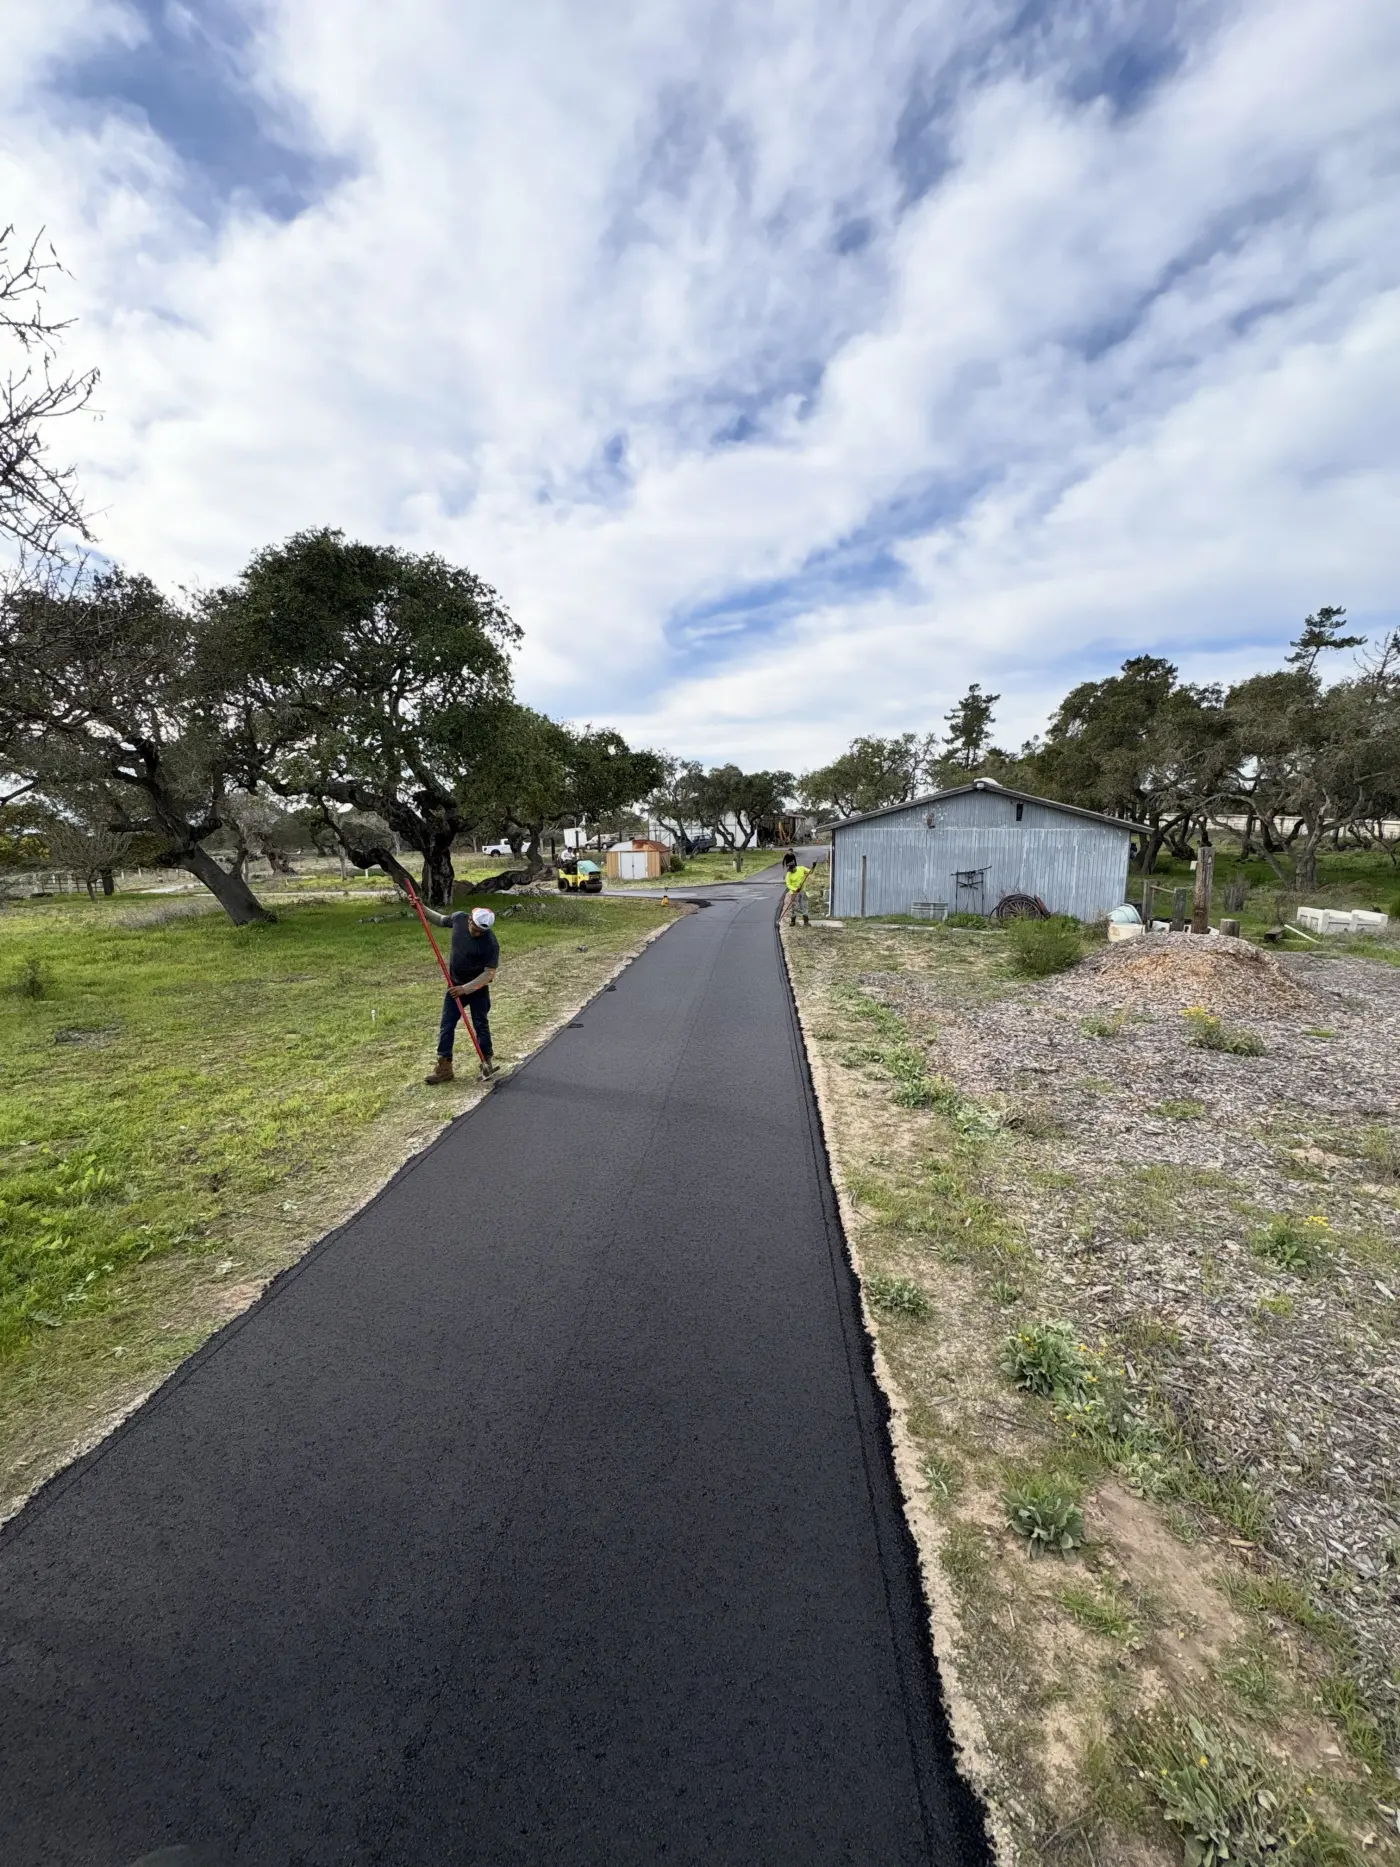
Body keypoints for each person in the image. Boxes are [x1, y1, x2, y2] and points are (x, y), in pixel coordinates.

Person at [418, 902, 500, 1083]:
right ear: (470, 919)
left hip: (476, 989)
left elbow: (489, 974)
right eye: (475, 929)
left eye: (481, 932)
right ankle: (444, 1068)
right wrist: (420, 907)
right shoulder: (458, 918)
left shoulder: (490, 943)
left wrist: (465, 989)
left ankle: (486, 1062)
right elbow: (440, 920)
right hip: (454, 985)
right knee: (446, 1025)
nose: (477, 933)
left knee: (481, 1025)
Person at [785, 857, 814, 926]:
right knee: (794, 906)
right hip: (794, 892)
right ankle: (793, 921)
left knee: (804, 906)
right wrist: (795, 889)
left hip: (802, 891)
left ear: (794, 867)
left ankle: (806, 922)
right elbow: (788, 884)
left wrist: (813, 867)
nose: (790, 871)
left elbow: (810, 872)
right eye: (789, 870)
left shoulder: (801, 868)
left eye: (791, 869)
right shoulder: (788, 874)